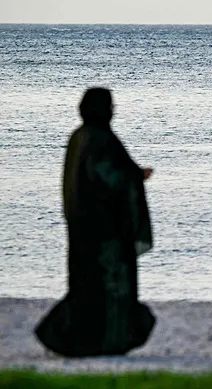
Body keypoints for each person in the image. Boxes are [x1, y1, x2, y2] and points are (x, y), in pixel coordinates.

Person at [35, 88, 156, 357]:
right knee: (106, 285)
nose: (113, 110)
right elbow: (107, 178)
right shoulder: (98, 139)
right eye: (111, 106)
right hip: (104, 231)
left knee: (85, 283)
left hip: (82, 228)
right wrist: (136, 177)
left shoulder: (80, 137)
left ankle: (79, 339)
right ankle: (95, 339)